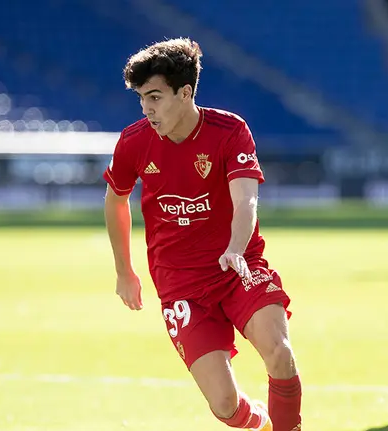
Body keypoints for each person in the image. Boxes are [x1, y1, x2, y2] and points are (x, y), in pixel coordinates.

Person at [102, 38, 302, 431]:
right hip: (181, 285)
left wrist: (235, 248)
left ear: (185, 92)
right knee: (225, 406)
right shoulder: (133, 141)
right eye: (141, 98)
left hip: (238, 267)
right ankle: (259, 422)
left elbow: (246, 200)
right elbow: (115, 201)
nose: (146, 108)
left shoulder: (229, 131)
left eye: (155, 97)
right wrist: (124, 271)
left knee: (279, 354)